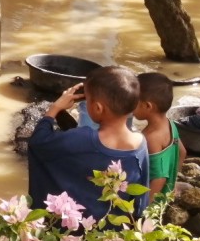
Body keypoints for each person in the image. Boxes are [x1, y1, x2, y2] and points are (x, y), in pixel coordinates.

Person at [28, 66, 150, 222]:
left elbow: (38, 142)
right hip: (112, 237)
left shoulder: (79, 139)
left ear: (98, 108)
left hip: (71, 235)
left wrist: (55, 108)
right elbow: (140, 200)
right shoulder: (140, 144)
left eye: (88, 100)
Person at [135, 72, 186, 201]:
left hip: (153, 201)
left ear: (147, 106)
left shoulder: (150, 137)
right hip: (165, 194)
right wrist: (172, 183)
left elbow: (159, 178)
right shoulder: (170, 124)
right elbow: (182, 152)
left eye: (133, 101)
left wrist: (144, 208)